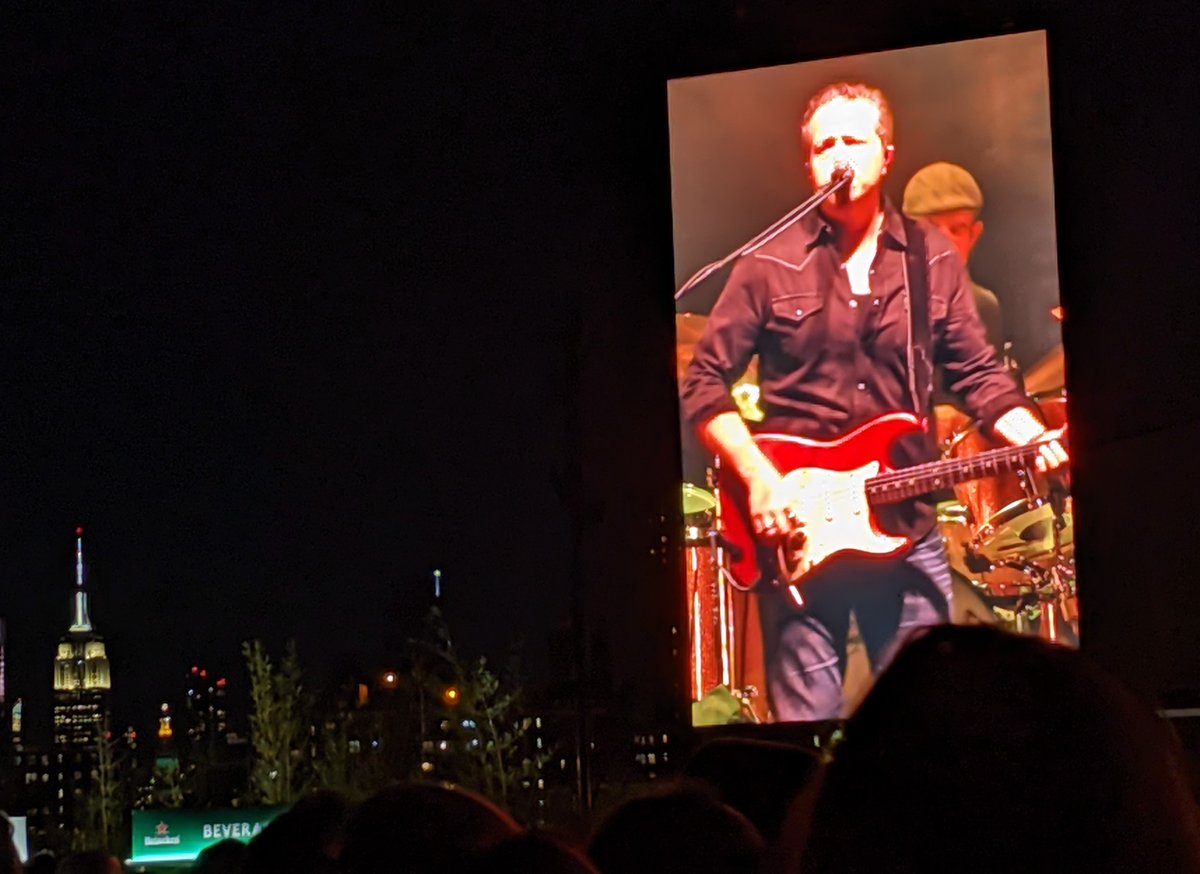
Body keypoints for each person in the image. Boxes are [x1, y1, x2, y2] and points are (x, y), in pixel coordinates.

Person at [679, 81, 1067, 721]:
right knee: (806, 726)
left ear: (886, 155)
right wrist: (759, 479)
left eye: (853, 141)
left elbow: (977, 373)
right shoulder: (767, 264)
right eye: (823, 145)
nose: (838, 154)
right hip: (798, 535)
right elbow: (703, 382)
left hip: (905, 529)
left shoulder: (930, 257)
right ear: (808, 164)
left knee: (927, 719)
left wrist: (1028, 433)